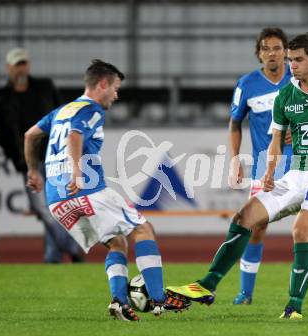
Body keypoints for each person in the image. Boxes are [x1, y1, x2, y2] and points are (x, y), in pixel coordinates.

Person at [166, 33, 308, 319]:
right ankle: (207, 286)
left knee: (302, 230)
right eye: (291, 60)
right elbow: (276, 139)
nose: (293, 65)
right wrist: (268, 172)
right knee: (244, 218)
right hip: (296, 174)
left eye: (298, 59)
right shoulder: (286, 95)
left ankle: (294, 306)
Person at [24, 59, 190, 321]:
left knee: (117, 242)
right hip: (86, 191)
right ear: (102, 83)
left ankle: (119, 302)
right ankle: (159, 299)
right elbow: (75, 136)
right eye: (115, 87)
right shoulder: (91, 109)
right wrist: (77, 172)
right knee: (143, 229)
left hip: (57, 200)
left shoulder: (63, 110)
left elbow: (30, 135)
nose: (116, 94)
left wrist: (33, 171)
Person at [229, 27, 308, 305]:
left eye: (277, 48)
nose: (272, 54)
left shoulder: (300, 80)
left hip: (303, 164)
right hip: (265, 168)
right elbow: (235, 123)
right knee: (255, 227)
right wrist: (235, 159)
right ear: (259, 53)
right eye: (266, 48)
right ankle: (245, 293)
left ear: (286, 53)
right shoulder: (247, 84)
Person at [0, 47, 82, 263]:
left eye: (23, 63)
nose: (21, 68)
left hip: (54, 155)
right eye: (17, 64)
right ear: (9, 68)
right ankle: (71, 247)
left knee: (54, 206)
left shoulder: (44, 87)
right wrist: (16, 158)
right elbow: (3, 132)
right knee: (42, 208)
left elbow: (63, 114)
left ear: (28, 65)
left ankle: (52, 257)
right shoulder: (3, 96)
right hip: (27, 161)